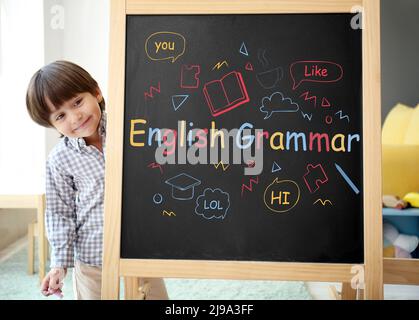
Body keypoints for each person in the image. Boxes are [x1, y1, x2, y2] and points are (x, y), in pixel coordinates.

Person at [25, 60, 168, 300]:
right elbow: (60, 213)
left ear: (96, 92)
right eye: (60, 115)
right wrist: (59, 264)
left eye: (77, 102)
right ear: (52, 124)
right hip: (93, 258)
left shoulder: (132, 129)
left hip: (141, 248)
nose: (75, 116)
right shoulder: (59, 159)